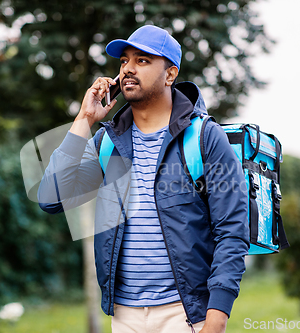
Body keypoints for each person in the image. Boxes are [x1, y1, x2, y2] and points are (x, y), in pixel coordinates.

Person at [38, 25, 249, 333]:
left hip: (187, 313)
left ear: (170, 74)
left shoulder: (203, 137)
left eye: (142, 60)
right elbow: (51, 199)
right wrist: (84, 119)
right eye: (124, 61)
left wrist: (216, 321)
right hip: (124, 316)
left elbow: (231, 230)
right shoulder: (108, 142)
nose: (128, 70)